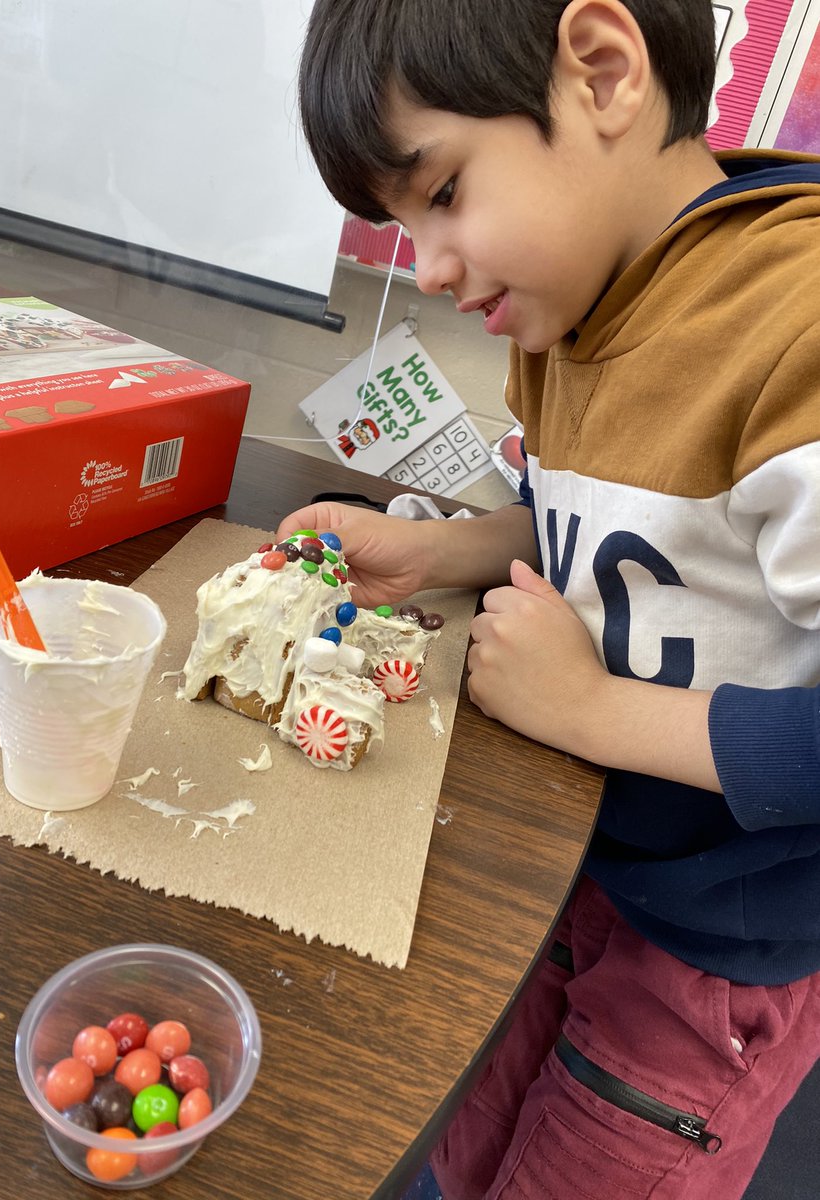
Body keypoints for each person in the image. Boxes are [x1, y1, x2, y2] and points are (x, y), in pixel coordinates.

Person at [278, 1, 820, 1197]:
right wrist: (440, 554)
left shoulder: (794, 324)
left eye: (446, 193)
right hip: (576, 869)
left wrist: (588, 710)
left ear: (604, 73)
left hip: (712, 952)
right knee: (462, 1149)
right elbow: (624, 525)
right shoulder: (575, 301)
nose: (429, 265)